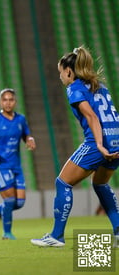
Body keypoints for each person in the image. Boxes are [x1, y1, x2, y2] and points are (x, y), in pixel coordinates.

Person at [31, 46, 119, 247]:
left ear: (69, 71)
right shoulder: (99, 86)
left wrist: (99, 144)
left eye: (60, 72)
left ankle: (56, 236)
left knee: (63, 183)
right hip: (116, 139)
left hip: (100, 142)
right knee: (100, 184)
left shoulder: (74, 88)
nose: (60, 77)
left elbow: (92, 117)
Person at [0, 88, 36, 240]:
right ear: (0, 102)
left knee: (20, 202)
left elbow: (26, 134)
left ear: (15, 102)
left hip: (16, 166)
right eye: (5, 100)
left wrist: (30, 140)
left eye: (11, 100)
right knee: (9, 200)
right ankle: (7, 233)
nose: (8, 102)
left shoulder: (21, 119)